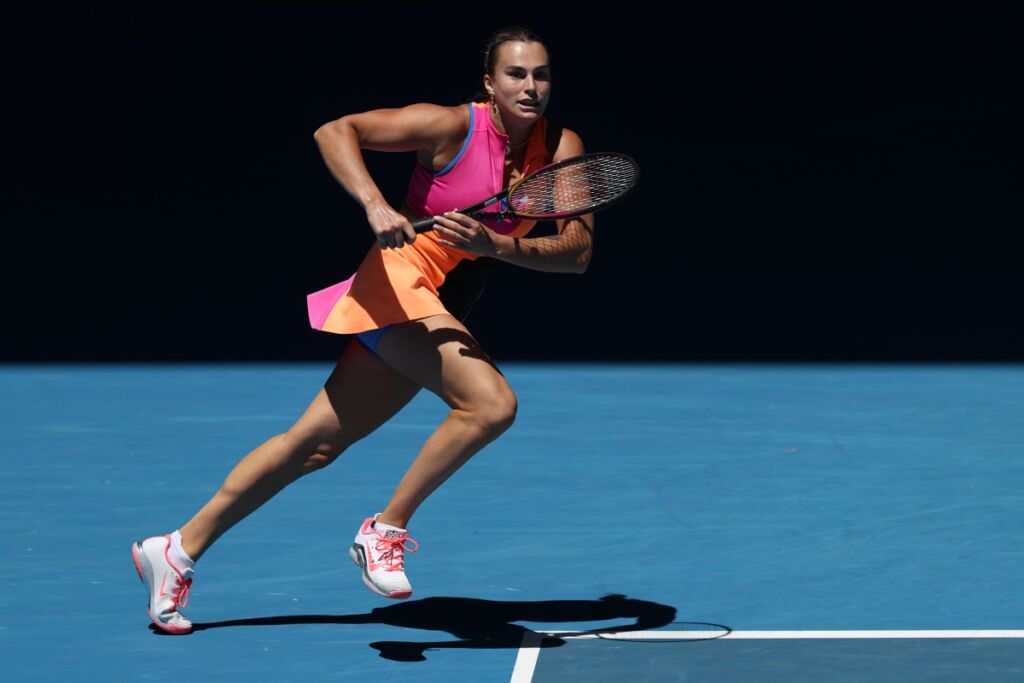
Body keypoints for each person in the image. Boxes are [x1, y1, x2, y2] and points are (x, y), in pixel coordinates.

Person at [131, 25, 594, 635]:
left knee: (312, 446)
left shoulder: (562, 148)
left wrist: (497, 246)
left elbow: (577, 253)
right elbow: (335, 131)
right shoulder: (449, 126)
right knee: (490, 405)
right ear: (490, 83)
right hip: (398, 282)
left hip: (446, 300)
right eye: (516, 74)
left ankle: (175, 549)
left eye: (541, 74)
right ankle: (385, 529)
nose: (531, 86)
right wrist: (376, 204)